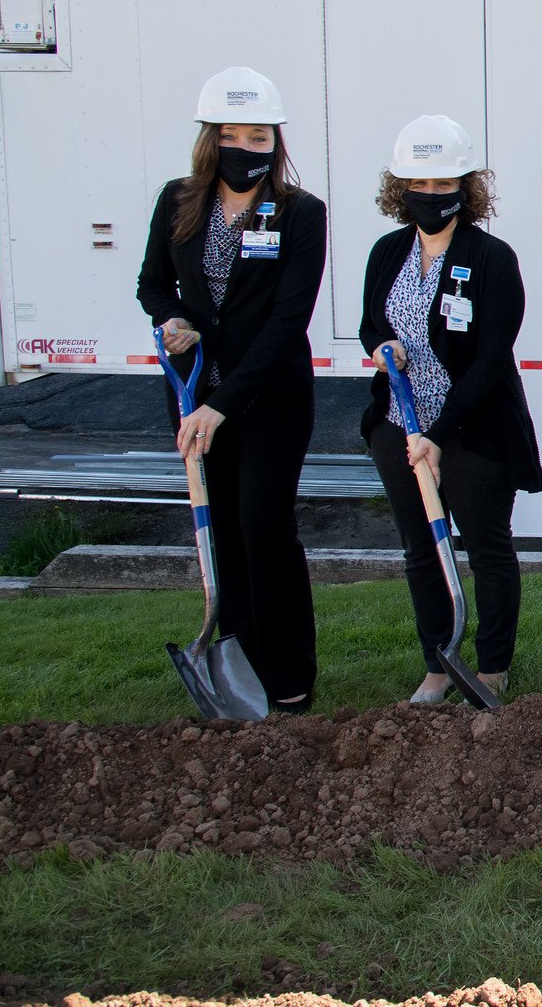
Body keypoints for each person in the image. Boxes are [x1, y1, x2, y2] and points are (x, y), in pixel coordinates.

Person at [137, 66, 326, 714]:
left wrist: (225, 404)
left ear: (275, 140)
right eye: (233, 134)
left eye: (259, 135)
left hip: (269, 398)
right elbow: (153, 283)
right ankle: (239, 666)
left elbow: (286, 322)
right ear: (211, 138)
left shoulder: (301, 214)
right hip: (195, 395)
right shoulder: (177, 200)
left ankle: (290, 676)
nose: (247, 147)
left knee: (263, 528)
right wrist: (173, 320)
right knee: (223, 533)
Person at [360, 115, 542, 703]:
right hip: (400, 427)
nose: (432, 195)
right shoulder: (388, 252)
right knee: (421, 551)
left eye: (445, 184)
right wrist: (380, 347)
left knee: (486, 547)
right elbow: (372, 325)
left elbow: (491, 359)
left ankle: (491, 666)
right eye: (421, 184)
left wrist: (438, 434)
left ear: (466, 186)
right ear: (401, 187)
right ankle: (438, 664)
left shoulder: (491, 258)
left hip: (473, 431)